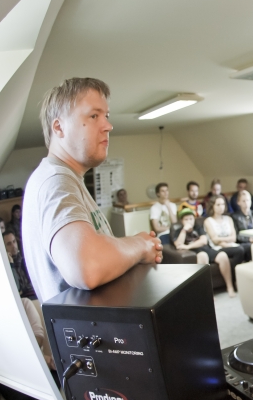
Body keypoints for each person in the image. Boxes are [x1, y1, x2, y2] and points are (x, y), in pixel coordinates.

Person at [22, 77, 161, 302]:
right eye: (94, 116)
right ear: (59, 127)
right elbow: (88, 266)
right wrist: (141, 245)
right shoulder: (57, 180)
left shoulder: (66, 179)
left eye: (106, 116)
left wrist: (132, 246)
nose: (108, 126)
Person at [172, 208, 236, 297]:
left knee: (223, 255)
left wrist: (187, 246)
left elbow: (204, 241)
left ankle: (230, 287)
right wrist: (184, 230)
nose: (189, 221)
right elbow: (178, 244)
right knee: (203, 256)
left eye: (191, 219)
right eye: (186, 219)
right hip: (196, 253)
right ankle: (208, 293)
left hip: (207, 249)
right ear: (182, 221)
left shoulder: (198, 227)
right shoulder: (178, 231)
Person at [204, 195, 245, 279]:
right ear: (212, 206)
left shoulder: (228, 219)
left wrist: (223, 240)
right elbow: (214, 240)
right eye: (218, 205)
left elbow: (234, 238)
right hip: (217, 248)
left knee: (248, 247)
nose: (221, 207)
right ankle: (235, 278)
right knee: (239, 250)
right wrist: (225, 242)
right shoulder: (208, 221)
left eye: (223, 204)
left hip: (232, 245)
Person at [3, 229, 36, 299]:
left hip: (35, 293)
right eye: (9, 244)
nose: (13, 245)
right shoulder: (7, 266)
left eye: (14, 241)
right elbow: (17, 288)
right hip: (25, 298)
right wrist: (11, 264)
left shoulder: (24, 258)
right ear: (4, 247)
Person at [231, 190, 253, 261]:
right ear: (238, 202)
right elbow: (236, 235)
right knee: (250, 246)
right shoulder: (234, 217)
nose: (246, 203)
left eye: (248, 200)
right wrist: (248, 239)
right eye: (243, 201)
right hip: (243, 242)